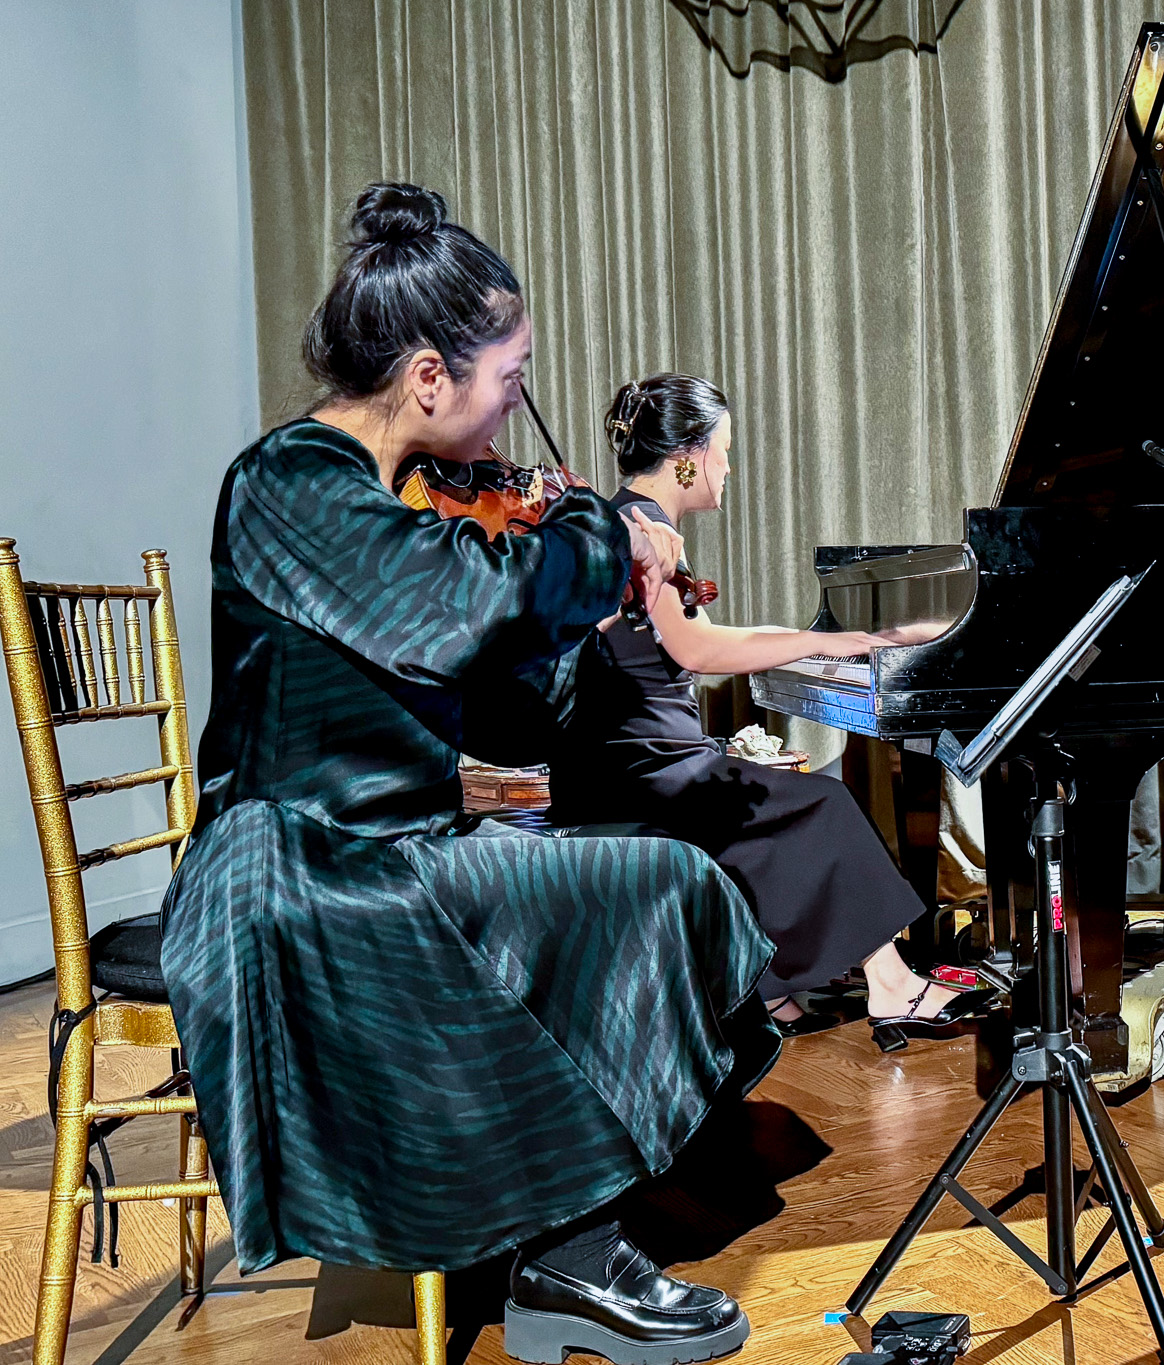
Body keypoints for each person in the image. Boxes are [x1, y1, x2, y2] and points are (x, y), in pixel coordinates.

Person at [160, 183, 776, 1365]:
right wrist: (600, 535)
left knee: (661, 881)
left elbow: (493, 702)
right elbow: (448, 614)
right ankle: (570, 1255)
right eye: (512, 376)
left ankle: (552, 1237)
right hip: (295, 867)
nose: (515, 409)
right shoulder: (288, 483)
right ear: (431, 376)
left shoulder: (409, 510)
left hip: (394, 846)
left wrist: (570, 628)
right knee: (603, 892)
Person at [546, 373, 990, 1051]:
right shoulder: (644, 528)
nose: (728, 466)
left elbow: (689, 641)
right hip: (645, 769)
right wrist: (835, 641)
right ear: (687, 456)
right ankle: (891, 985)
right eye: (724, 449)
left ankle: (772, 989)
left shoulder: (622, 516)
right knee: (823, 805)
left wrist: (819, 643)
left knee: (781, 797)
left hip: (620, 759)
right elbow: (695, 647)